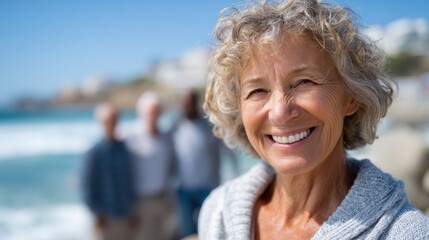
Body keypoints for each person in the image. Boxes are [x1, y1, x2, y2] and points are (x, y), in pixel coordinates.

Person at [199, 0, 429, 239]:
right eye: (257, 91)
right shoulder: (217, 212)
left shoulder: (407, 233)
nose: (279, 112)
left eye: (303, 82)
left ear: (351, 97)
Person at [172, 90, 238, 238]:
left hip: (207, 187)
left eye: (189, 103)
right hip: (184, 189)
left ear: (195, 103)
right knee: (187, 231)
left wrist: (236, 173)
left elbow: (227, 148)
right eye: (184, 104)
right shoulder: (176, 127)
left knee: (209, 229)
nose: (186, 106)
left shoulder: (209, 126)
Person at [126, 91, 178, 240]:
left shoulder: (165, 138)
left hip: (164, 199)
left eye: (157, 112)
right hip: (141, 203)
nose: (153, 116)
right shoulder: (131, 137)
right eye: (150, 112)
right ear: (141, 113)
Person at [81, 103, 137, 240]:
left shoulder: (124, 149)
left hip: (124, 217)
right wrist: (97, 214)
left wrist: (132, 211)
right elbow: (86, 186)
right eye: (107, 121)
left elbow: (129, 181)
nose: (111, 124)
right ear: (101, 123)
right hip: (104, 221)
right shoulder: (94, 152)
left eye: (114, 120)